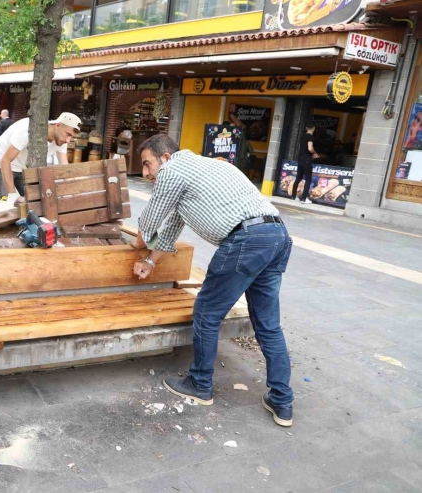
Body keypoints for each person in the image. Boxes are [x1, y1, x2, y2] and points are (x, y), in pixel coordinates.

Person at [131, 134, 294, 427]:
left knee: (206, 312)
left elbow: (152, 218)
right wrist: (149, 261)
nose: (145, 174)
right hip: (276, 236)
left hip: (246, 240)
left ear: (165, 158)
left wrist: (138, 243)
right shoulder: (205, 170)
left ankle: (199, 384)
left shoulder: (173, 170)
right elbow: (171, 227)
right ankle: (282, 401)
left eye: (147, 164)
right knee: (268, 324)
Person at [0, 112, 80, 201]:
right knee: (6, 205)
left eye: (71, 137)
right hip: (1, 163)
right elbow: (5, 161)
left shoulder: (61, 139)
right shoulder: (29, 129)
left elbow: (64, 165)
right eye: (68, 134)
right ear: (57, 125)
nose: (68, 140)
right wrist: (12, 195)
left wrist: (70, 189)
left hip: (23, 167)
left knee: (33, 202)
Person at [291, 121, 319, 204]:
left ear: (306, 128)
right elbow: (310, 148)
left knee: (298, 178)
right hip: (307, 160)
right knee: (308, 179)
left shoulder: (302, 136)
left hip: (300, 159)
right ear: (314, 128)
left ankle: (293, 196)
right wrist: (314, 153)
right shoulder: (310, 137)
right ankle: (304, 198)